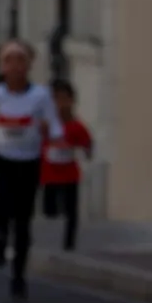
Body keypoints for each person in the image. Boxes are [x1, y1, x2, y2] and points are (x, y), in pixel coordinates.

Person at [0, 39, 63, 301]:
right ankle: (0, 237)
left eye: (20, 61)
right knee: (2, 205)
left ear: (29, 65)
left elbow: (53, 122)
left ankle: (18, 276)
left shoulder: (40, 95)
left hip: (29, 158)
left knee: (23, 219)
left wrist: (56, 136)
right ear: (3, 66)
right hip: (1, 157)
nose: (15, 67)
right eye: (9, 61)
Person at [42, 79, 93, 252]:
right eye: (56, 100)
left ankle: (69, 244)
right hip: (48, 174)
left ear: (72, 101)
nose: (60, 105)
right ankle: (50, 241)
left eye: (64, 99)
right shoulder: (46, 126)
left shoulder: (76, 127)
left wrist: (85, 151)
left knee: (71, 211)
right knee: (50, 210)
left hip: (70, 174)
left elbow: (87, 144)